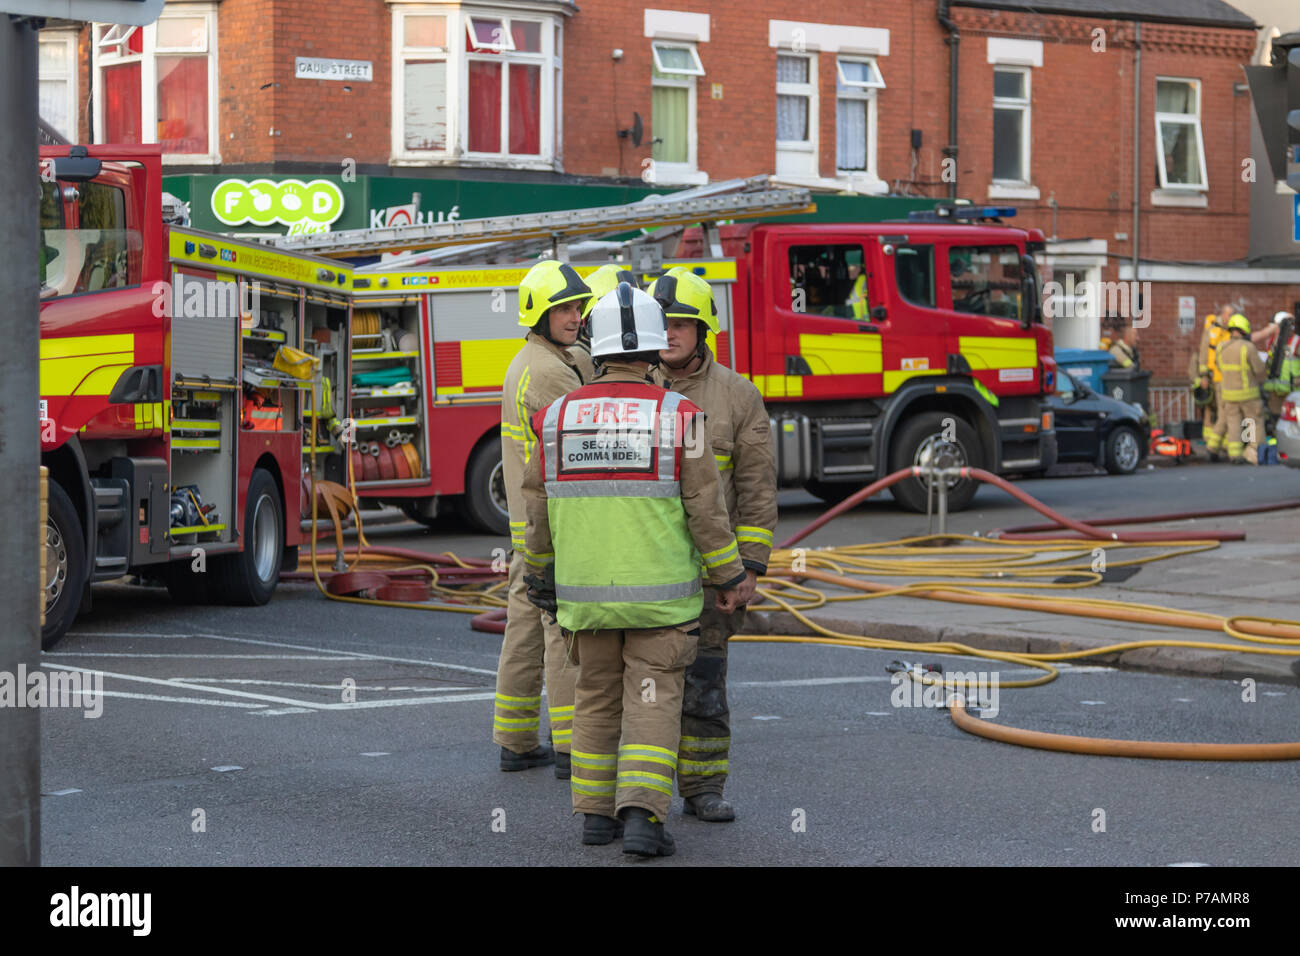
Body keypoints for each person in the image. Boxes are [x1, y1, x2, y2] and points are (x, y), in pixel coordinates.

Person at [520, 282, 746, 857]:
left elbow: (536, 509)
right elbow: (707, 509)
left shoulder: (553, 418)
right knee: (652, 698)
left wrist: (540, 576)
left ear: (594, 351)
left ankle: (596, 818)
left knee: (595, 695)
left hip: (584, 599)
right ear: (651, 354)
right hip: (662, 602)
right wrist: (729, 578)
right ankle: (644, 818)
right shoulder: (681, 414)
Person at [650, 267, 777, 822]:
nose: (671, 333)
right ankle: (636, 797)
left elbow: (756, 488)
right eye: (662, 323)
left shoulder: (737, 396)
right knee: (644, 690)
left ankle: (703, 787)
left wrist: (747, 569)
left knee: (704, 683)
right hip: (642, 569)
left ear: (704, 330)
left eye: (683, 323)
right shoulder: (630, 387)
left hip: (710, 575)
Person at [493, 259, 591, 777]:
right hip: (552, 526)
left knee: (525, 629)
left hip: (524, 527)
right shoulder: (551, 372)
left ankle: (515, 739)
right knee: (561, 629)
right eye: (565, 309)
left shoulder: (532, 360)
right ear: (540, 315)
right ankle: (574, 748)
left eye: (578, 306)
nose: (575, 316)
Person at [1208, 313, 1267, 465]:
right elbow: (1259, 370)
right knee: (1252, 423)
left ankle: (1235, 455)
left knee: (1233, 424)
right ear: (1244, 330)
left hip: (1228, 395)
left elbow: (1219, 367)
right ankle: (1253, 452)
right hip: (1248, 395)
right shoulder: (1248, 347)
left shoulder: (1221, 347)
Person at [1189, 312, 1227, 434]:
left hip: (1213, 380)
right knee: (1210, 411)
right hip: (1210, 382)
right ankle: (1210, 438)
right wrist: (1202, 380)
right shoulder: (1208, 341)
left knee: (1213, 411)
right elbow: (1196, 368)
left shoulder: (1213, 340)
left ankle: (1211, 438)